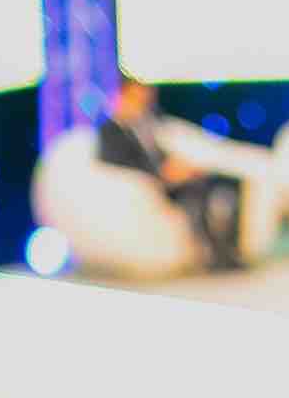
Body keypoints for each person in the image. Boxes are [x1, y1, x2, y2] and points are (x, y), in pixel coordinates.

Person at [97, 77, 245, 270]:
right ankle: (214, 254)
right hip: (148, 184)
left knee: (220, 184)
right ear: (125, 95)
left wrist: (179, 167)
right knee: (195, 193)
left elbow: (161, 154)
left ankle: (227, 251)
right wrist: (161, 175)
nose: (145, 100)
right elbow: (120, 164)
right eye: (139, 95)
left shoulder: (149, 125)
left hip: (167, 178)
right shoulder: (111, 130)